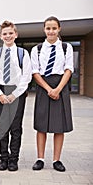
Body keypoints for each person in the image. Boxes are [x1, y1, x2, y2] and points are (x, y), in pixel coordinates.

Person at [31, 16, 73, 172]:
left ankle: (57, 160)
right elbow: (35, 71)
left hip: (60, 86)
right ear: (44, 29)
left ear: (59, 29)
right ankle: (40, 159)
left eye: (54, 28)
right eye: (48, 28)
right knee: (41, 125)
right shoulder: (37, 49)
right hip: (43, 86)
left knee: (59, 126)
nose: (51, 31)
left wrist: (58, 89)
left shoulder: (66, 47)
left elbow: (69, 69)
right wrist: (49, 89)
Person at [0, 21, 32, 171]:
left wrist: (14, 95)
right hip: (1, 91)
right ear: (1, 36)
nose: (8, 36)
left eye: (10, 33)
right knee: (2, 128)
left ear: (16, 34)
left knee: (15, 128)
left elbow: (26, 77)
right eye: (5, 34)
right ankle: (3, 158)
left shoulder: (22, 53)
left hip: (17, 93)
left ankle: (14, 160)